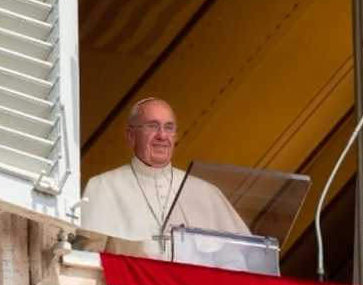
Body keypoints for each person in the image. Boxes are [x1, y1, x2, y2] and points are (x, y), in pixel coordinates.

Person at [77, 98, 251, 268]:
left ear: (175, 137)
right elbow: (87, 263)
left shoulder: (206, 193)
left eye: (169, 128)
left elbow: (235, 264)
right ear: (131, 136)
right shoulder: (102, 187)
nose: (161, 135)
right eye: (152, 126)